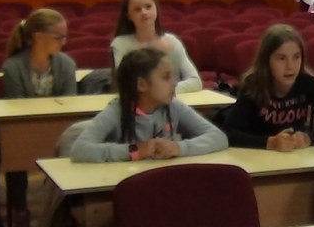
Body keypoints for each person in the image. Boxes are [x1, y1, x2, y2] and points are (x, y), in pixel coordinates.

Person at [1, 8, 78, 227]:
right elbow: (16, 108)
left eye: (65, 36)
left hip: (59, 127)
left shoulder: (66, 64)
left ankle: (66, 212)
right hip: (24, 128)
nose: (64, 42)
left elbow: (70, 103)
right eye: (58, 37)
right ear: (38, 36)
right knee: (15, 153)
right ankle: (19, 213)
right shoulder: (13, 67)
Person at [71, 46, 226, 164]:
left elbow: (218, 137)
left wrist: (178, 148)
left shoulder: (174, 106)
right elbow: (80, 149)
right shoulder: (117, 110)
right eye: (166, 77)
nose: (174, 83)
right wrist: (135, 150)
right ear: (142, 84)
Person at [222, 23, 314, 150]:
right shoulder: (253, 85)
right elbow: (227, 132)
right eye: (281, 58)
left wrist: (309, 138)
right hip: (259, 154)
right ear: (266, 60)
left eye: (296, 57)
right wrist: (270, 143)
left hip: (294, 155)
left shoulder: (307, 83)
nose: (290, 66)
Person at [110, 0, 202, 93]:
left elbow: (195, 81)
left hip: (171, 100)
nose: (144, 12)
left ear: (156, 8)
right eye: (137, 9)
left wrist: (163, 92)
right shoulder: (120, 44)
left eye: (148, 6)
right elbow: (125, 85)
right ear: (128, 15)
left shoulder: (172, 42)